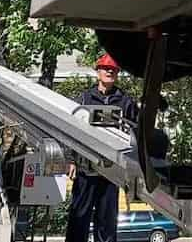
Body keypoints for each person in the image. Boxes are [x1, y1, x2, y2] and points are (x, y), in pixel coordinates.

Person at [65, 54, 138, 242]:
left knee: (106, 222)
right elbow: (70, 130)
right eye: (105, 69)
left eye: (113, 70)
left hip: (111, 171)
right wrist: (70, 160)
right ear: (97, 72)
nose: (109, 72)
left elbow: (136, 132)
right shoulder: (83, 98)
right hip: (85, 169)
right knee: (79, 217)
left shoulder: (125, 102)